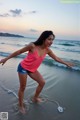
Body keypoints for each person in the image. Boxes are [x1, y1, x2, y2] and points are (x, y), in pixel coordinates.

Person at [0, 30, 73, 114]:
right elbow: (19, 52)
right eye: (49, 39)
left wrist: (66, 63)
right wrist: (6, 59)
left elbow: (56, 58)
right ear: (43, 39)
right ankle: (20, 105)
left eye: (52, 40)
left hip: (32, 70)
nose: (51, 42)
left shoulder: (47, 50)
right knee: (23, 87)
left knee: (42, 82)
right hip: (23, 67)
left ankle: (35, 98)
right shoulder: (32, 46)